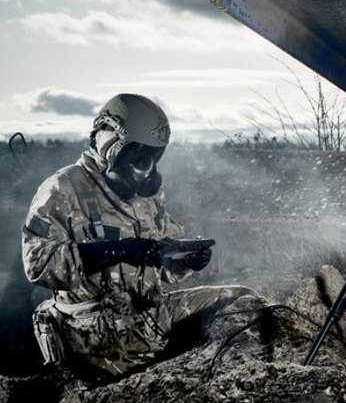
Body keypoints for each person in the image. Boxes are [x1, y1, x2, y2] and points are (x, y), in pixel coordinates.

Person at [22, 93, 260, 379]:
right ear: (111, 142)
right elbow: (38, 266)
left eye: (153, 155)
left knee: (243, 301)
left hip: (150, 316)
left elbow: (164, 260)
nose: (146, 165)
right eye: (138, 153)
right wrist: (117, 251)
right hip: (97, 335)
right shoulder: (63, 188)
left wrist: (186, 259)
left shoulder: (147, 193)